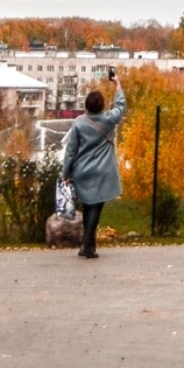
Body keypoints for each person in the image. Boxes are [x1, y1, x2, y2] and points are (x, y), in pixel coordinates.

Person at [60, 69, 126, 260]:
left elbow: (71, 151)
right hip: (103, 171)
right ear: (102, 106)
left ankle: (88, 244)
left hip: (83, 172)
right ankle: (88, 244)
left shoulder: (79, 123)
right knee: (96, 207)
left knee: (89, 206)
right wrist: (118, 85)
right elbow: (120, 106)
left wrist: (66, 173)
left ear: (86, 106)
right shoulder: (108, 120)